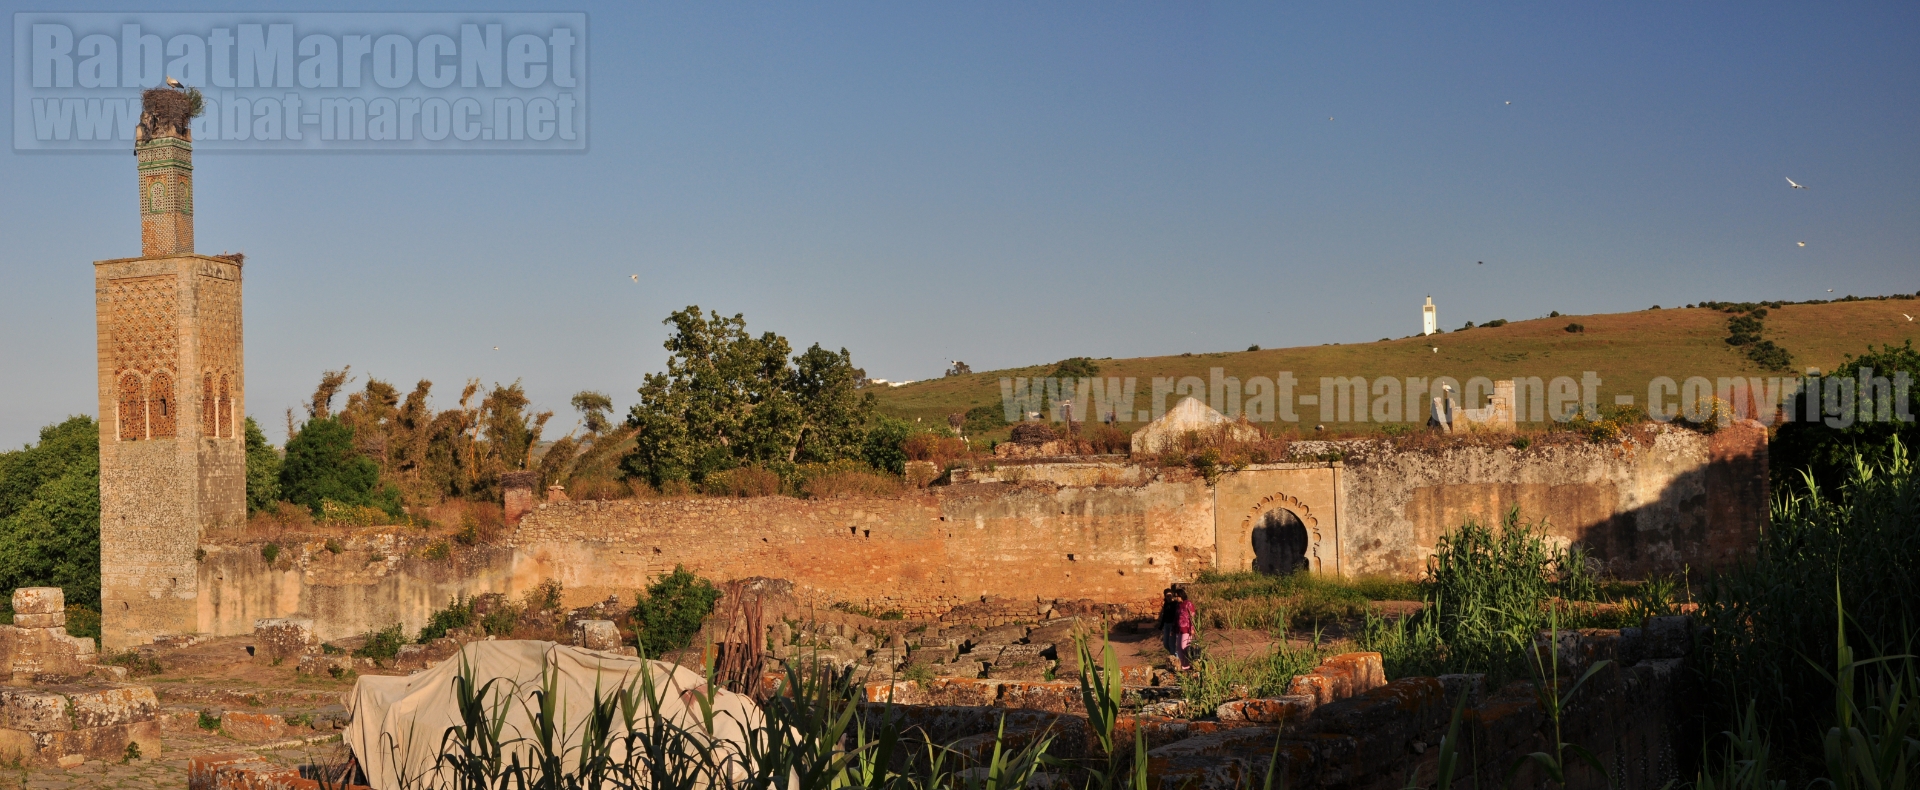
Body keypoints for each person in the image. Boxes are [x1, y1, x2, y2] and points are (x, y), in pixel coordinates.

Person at [1174, 587, 1196, 671]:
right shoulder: (1178, 606)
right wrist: (1173, 629)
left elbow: (1192, 617)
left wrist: (1192, 628)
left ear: (1181, 595)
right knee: (1179, 648)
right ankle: (1183, 664)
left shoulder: (1188, 604)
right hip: (1179, 629)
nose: (1176, 598)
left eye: (1177, 596)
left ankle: (1187, 664)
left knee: (1184, 646)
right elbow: (1176, 618)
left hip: (1187, 629)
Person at [1155, 588, 1180, 663]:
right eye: (1167, 596)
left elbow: (1177, 616)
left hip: (1172, 625)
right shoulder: (1166, 604)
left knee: (1171, 643)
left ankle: (1175, 660)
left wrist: (1175, 625)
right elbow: (1164, 616)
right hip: (1166, 625)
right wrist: (1161, 626)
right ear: (1165, 596)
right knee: (1166, 644)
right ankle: (1174, 655)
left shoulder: (1175, 604)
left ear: (1172, 595)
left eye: (1170, 595)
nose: (1169, 597)